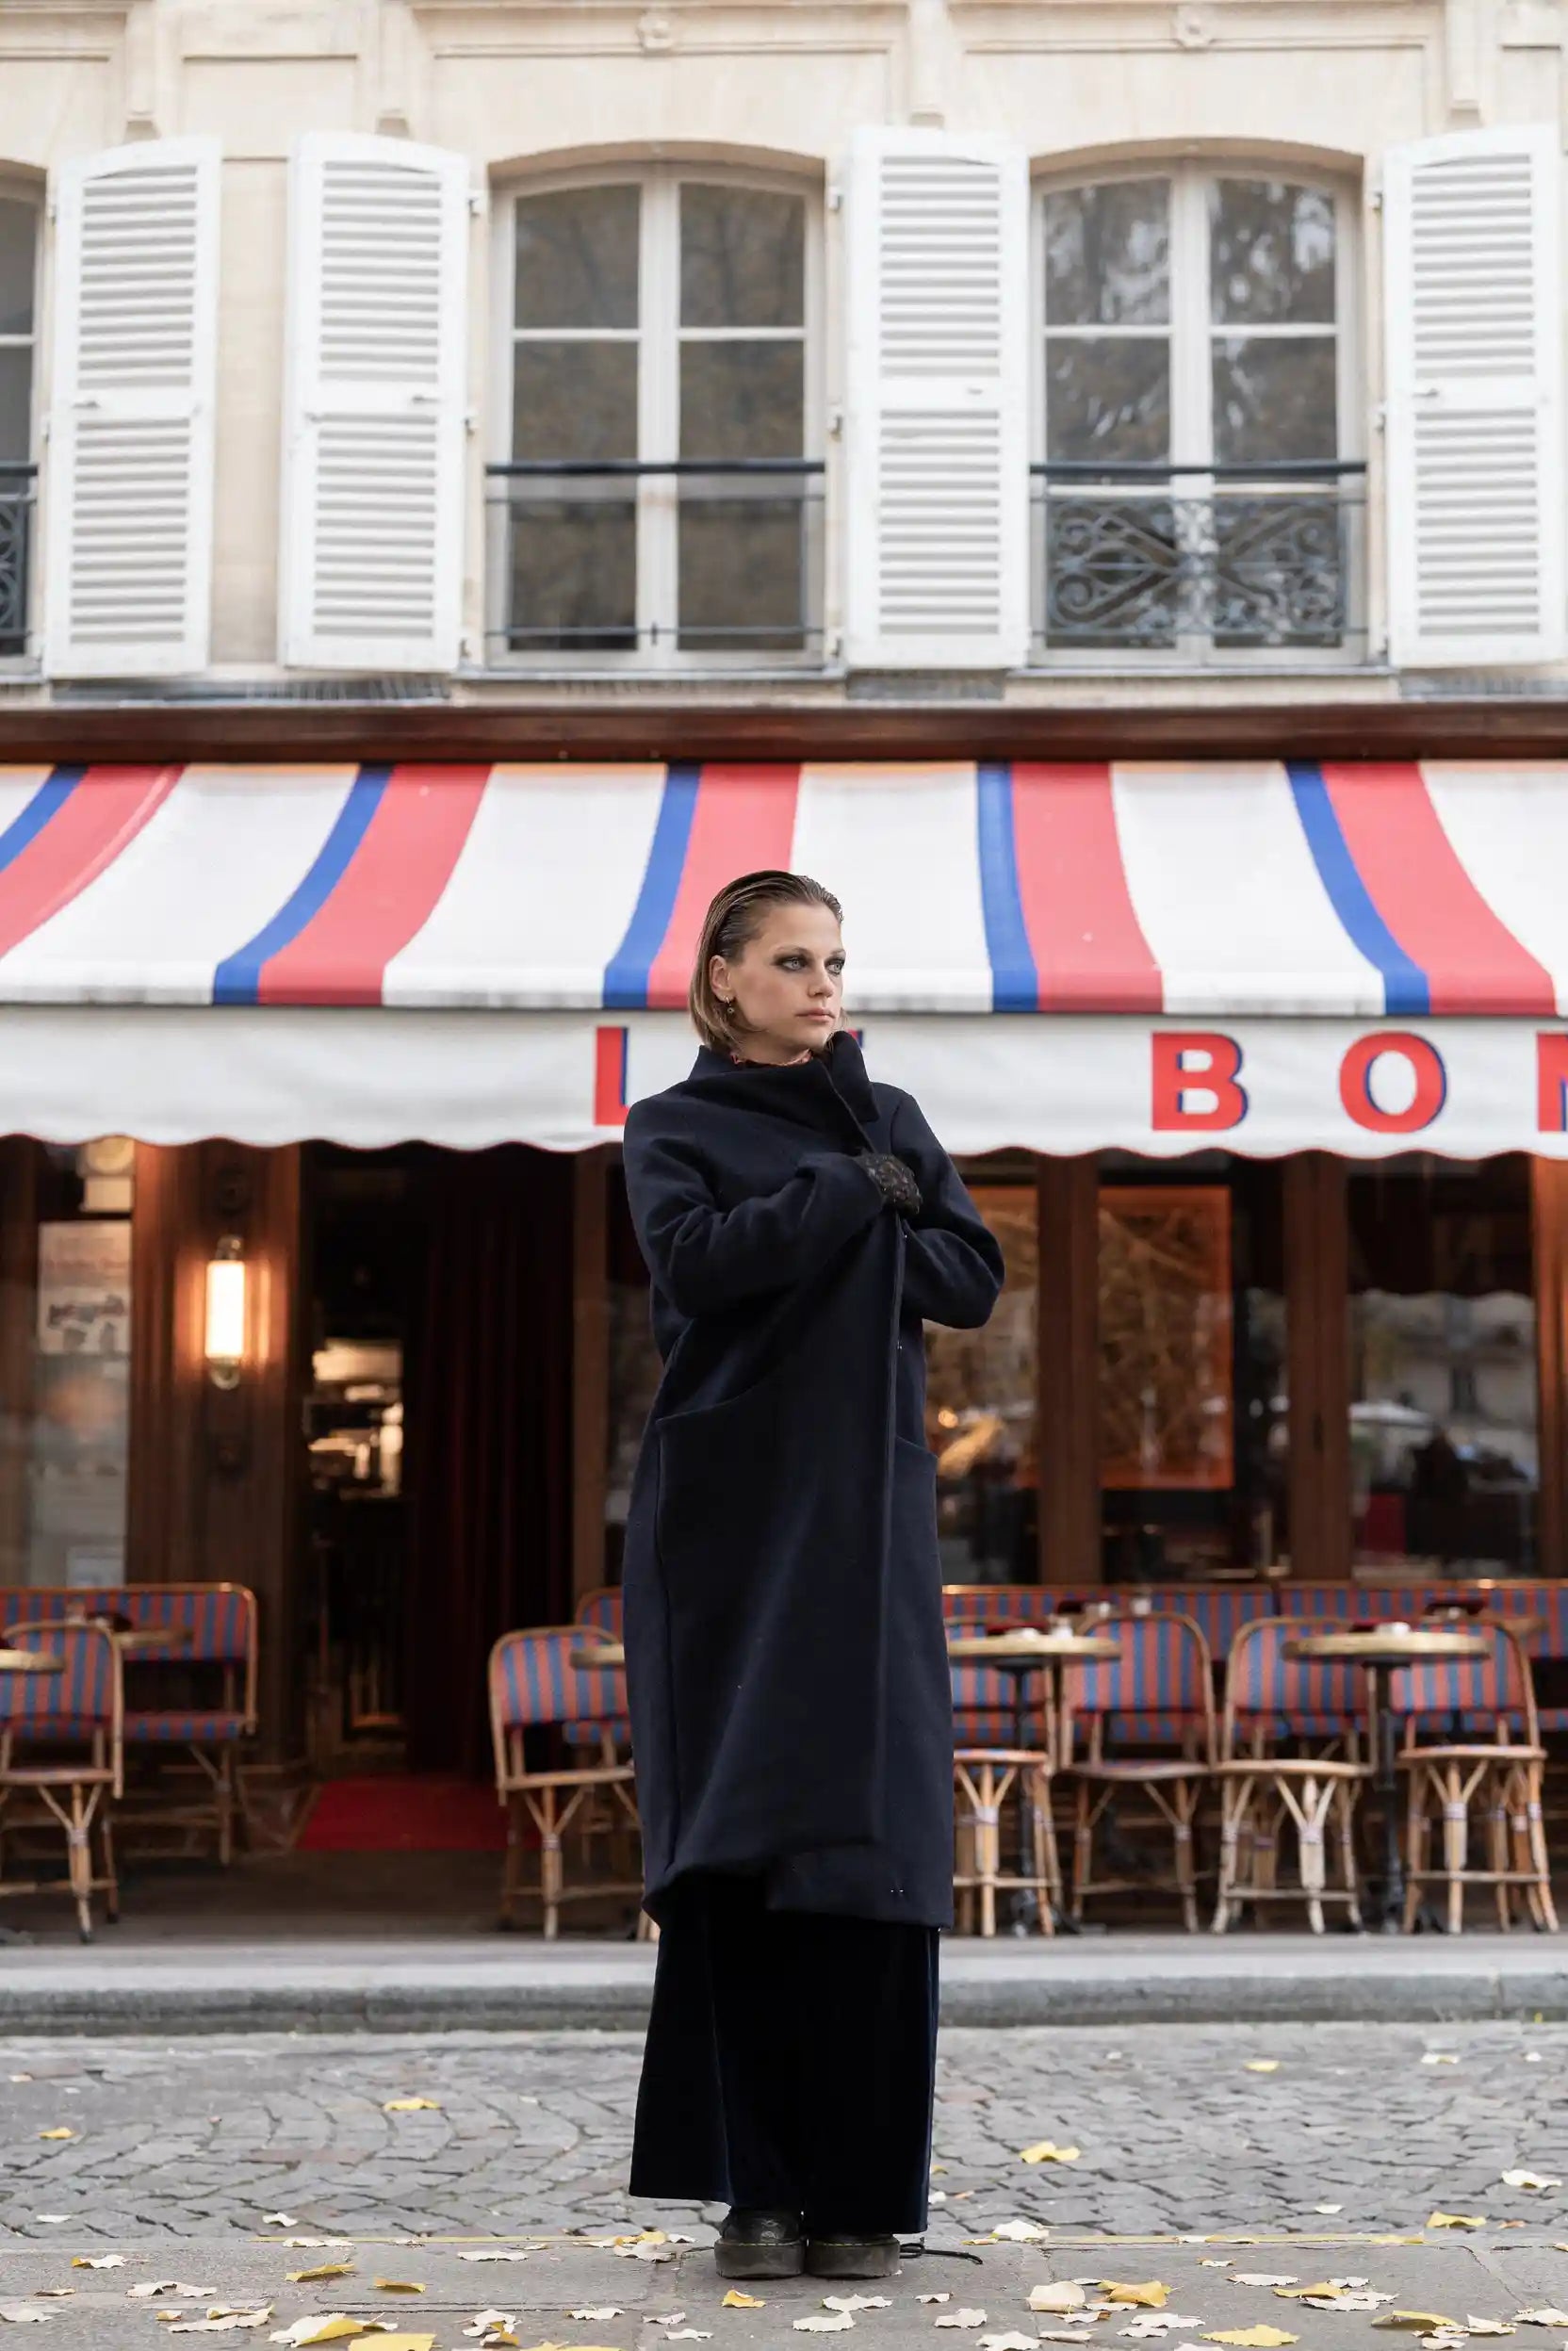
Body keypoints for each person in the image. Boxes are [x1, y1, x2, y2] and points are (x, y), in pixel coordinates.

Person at [618, 869, 1004, 2284]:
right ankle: (757, 2195)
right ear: (723, 978)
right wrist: (849, 1193)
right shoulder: (672, 1126)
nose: (824, 985)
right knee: (741, 1838)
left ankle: (859, 2195)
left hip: (870, 1518)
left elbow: (968, 1277)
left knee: (871, 1842)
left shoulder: (887, 1114)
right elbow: (698, 1267)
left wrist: (878, 1183)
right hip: (730, 1520)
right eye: (793, 961)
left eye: (835, 961)